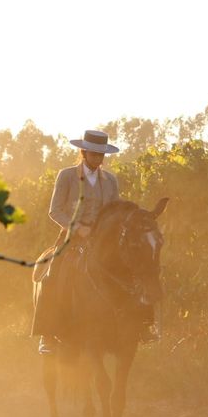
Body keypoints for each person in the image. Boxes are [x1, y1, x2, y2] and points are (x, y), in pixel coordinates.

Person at [31, 129, 122, 354]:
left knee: (131, 270)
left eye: (101, 155)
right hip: (71, 237)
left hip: (102, 240)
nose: (98, 159)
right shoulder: (67, 176)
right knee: (52, 276)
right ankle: (47, 334)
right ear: (84, 152)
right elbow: (55, 210)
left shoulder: (110, 180)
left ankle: (136, 327)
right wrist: (77, 228)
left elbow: (114, 210)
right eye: (94, 154)